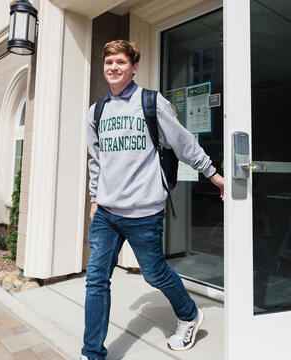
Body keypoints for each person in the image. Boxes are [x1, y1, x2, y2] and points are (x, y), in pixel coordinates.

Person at [79, 40, 224, 360]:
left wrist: (213, 174)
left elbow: (184, 143)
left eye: (120, 62)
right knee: (96, 281)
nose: (113, 67)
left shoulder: (152, 103)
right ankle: (92, 354)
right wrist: (94, 198)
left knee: (155, 273)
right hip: (105, 212)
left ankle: (189, 314)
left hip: (144, 212)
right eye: (108, 63)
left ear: (133, 67)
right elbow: (96, 159)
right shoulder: (96, 111)